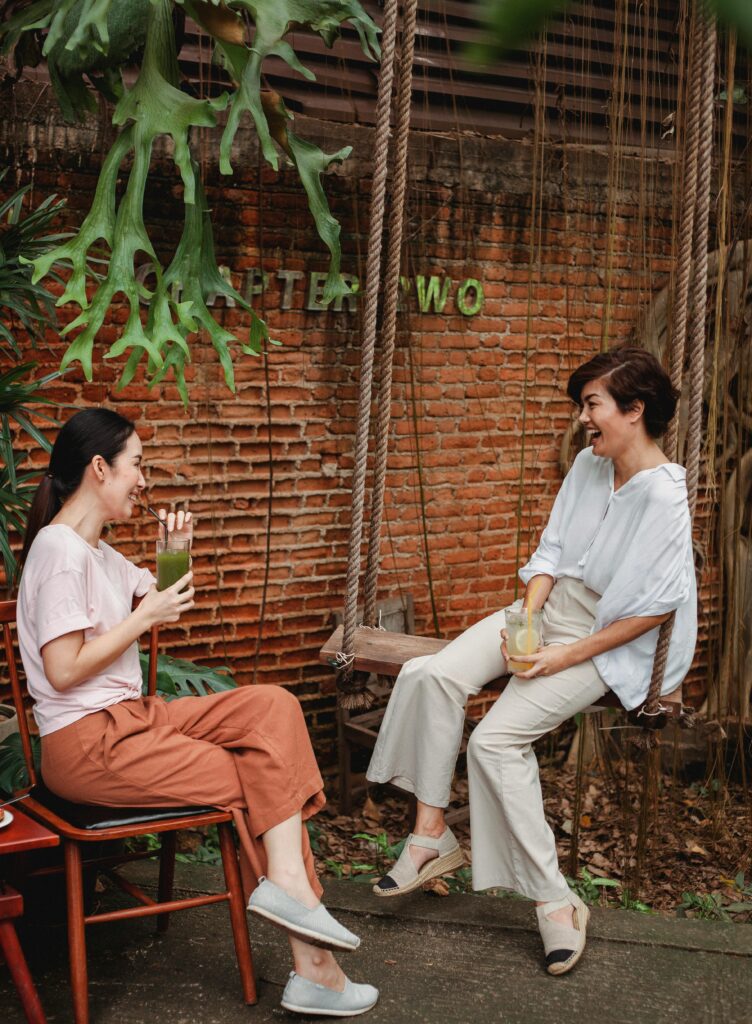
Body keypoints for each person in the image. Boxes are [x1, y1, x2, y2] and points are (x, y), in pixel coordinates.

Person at [16, 408, 378, 1018]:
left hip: (133, 720)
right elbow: (63, 669)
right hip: (88, 745)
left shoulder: (97, 552)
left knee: (273, 707)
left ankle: (288, 889)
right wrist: (142, 618)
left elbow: (168, 599)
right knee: (259, 775)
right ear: (100, 468)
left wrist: (174, 553)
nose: (144, 480)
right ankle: (314, 962)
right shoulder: (59, 551)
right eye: (137, 465)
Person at [366, 346, 697, 975]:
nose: (582, 418)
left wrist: (560, 655)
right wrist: (528, 622)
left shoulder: (664, 497)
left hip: (607, 640)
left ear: (634, 409)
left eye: (592, 404)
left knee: (493, 744)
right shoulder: (589, 466)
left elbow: (653, 612)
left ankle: (555, 901)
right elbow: (551, 550)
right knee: (431, 673)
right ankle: (430, 834)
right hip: (551, 612)